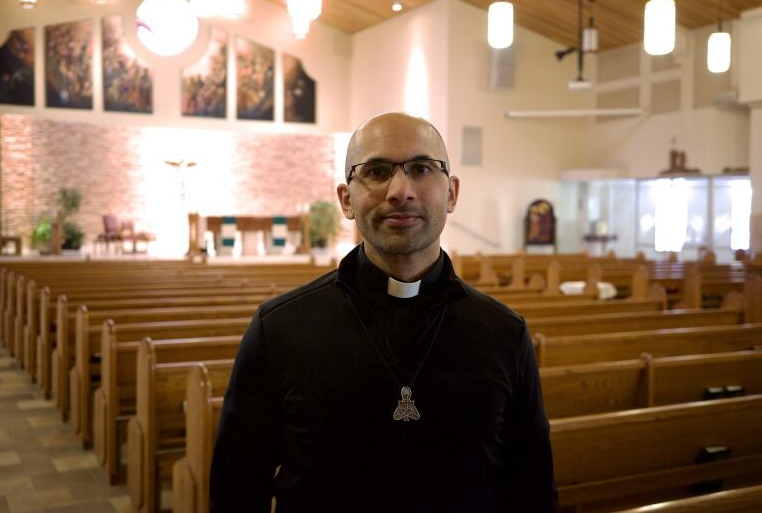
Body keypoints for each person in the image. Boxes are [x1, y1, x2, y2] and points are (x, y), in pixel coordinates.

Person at [210, 112, 557, 512]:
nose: (400, 190)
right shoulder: (280, 329)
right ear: (346, 200)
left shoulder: (504, 333)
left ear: (452, 194)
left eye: (421, 168)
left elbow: (531, 488)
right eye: (375, 171)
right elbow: (236, 489)